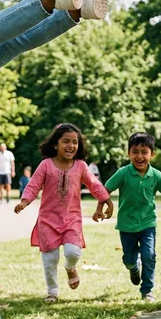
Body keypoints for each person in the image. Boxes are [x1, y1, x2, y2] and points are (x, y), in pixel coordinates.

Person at [14, 123, 112, 304]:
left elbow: (94, 184)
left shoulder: (81, 166)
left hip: (71, 218)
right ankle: (52, 292)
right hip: (48, 220)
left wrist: (106, 200)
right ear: (55, 144)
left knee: (73, 252)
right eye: (66, 141)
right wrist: (24, 202)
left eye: (75, 142)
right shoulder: (45, 165)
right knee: (50, 259)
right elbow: (33, 185)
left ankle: (70, 268)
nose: (71, 146)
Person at [96, 132, 161, 303]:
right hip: (126, 225)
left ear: (152, 154)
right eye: (135, 151)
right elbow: (105, 191)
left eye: (144, 152)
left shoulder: (156, 175)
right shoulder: (123, 173)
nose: (139, 156)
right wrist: (99, 208)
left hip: (148, 223)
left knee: (149, 255)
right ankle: (133, 267)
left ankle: (147, 290)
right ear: (128, 153)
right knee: (129, 260)